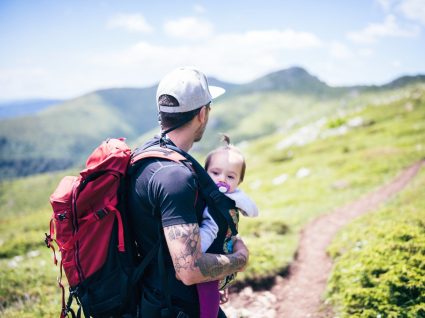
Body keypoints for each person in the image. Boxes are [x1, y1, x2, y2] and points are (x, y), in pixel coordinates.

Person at [127, 67, 249, 318]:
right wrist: (240, 258)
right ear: (202, 114)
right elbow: (190, 269)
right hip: (178, 308)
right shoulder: (175, 177)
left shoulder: (145, 156)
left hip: (152, 299)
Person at [197, 135, 259, 318]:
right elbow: (209, 228)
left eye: (230, 176)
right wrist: (195, 252)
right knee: (209, 305)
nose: (221, 179)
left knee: (213, 298)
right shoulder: (204, 198)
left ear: (239, 181)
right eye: (215, 173)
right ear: (204, 172)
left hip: (222, 259)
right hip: (207, 260)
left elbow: (252, 211)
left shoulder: (232, 198)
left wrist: (236, 196)